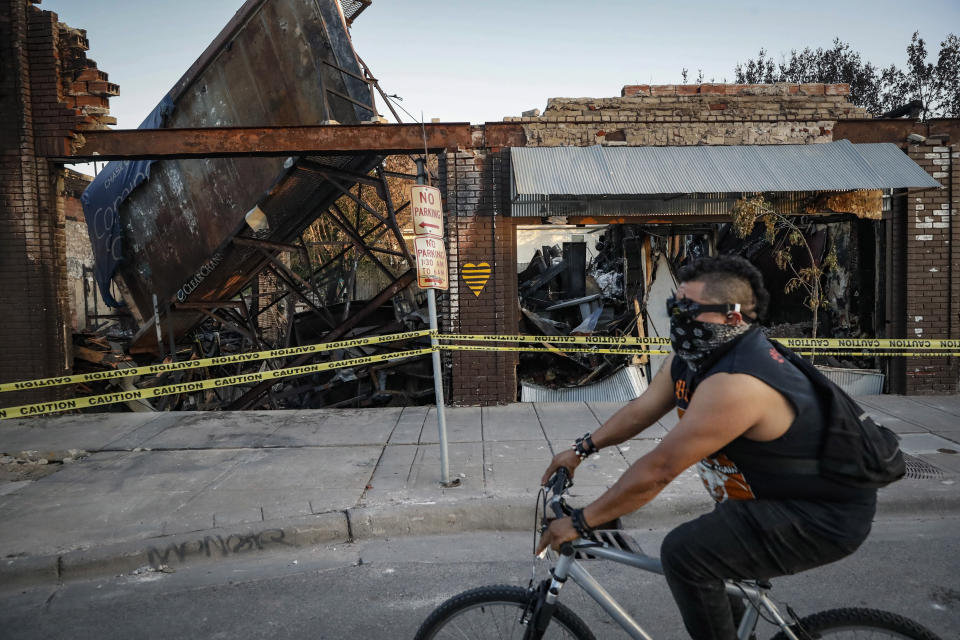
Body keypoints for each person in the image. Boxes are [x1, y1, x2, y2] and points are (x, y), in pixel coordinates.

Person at [537, 255, 877, 640]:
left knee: (686, 555)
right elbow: (643, 408)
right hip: (764, 498)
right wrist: (580, 450)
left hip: (820, 514)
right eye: (675, 307)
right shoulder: (694, 355)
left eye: (689, 310)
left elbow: (660, 469)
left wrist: (582, 521)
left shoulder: (738, 381)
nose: (677, 318)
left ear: (732, 317)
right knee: (711, 560)